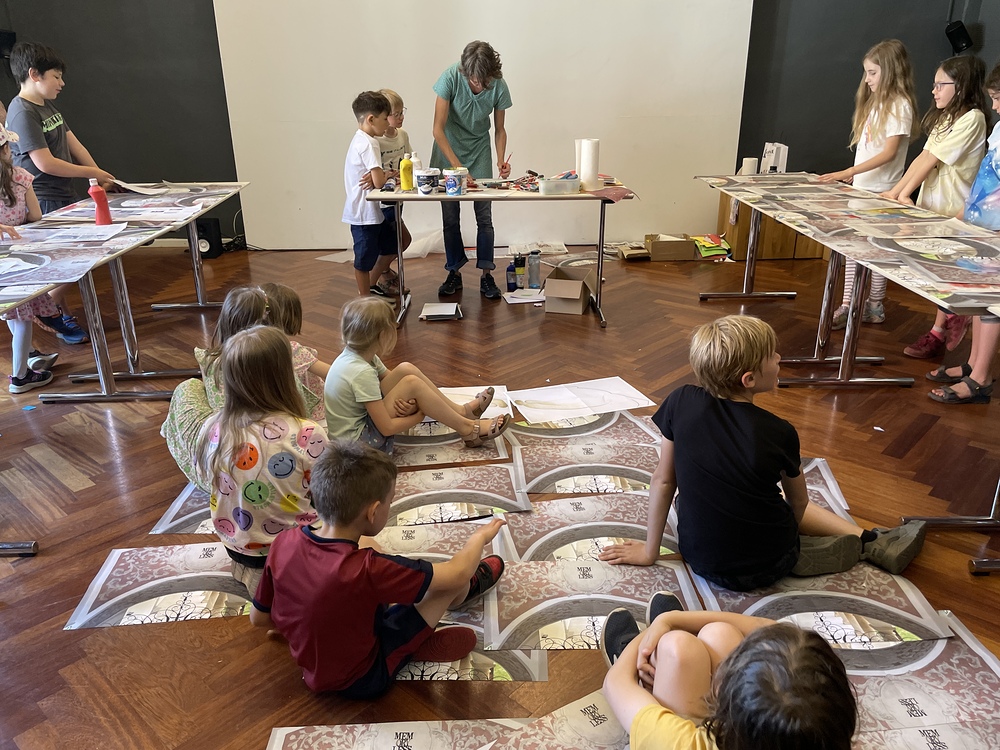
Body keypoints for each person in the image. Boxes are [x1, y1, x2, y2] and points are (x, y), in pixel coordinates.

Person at [598, 315, 927, 590]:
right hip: (769, 564)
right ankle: (837, 547)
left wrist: (650, 551)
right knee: (775, 502)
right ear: (749, 379)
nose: (779, 358)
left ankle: (862, 541)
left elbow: (663, 480)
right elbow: (799, 503)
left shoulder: (679, 400)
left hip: (699, 559)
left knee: (692, 498)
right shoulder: (779, 431)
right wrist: (786, 540)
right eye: (772, 355)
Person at [249, 440, 506, 697]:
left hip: (314, 669)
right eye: (390, 501)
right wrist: (479, 537)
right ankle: (442, 614)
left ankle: (419, 628)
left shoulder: (284, 542)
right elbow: (457, 571)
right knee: (451, 583)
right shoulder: (368, 569)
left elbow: (258, 618)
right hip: (364, 677)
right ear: (373, 512)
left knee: (366, 547)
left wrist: (299, 626)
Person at [602, 592, 856, 750]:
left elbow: (615, 683)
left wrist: (654, 633)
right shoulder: (819, 732)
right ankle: (670, 648)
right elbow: (764, 626)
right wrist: (672, 619)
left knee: (677, 647)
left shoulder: (681, 744)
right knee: (719, 634)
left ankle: (651, 676)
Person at [193, 325, 327, 596]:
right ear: (285, 376)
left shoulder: (211, 428)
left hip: (237, 548)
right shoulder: (306, 432)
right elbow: (327, 492)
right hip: (296, 549)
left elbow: (207, 479)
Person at [881, 55, 989, 359]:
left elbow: (932, 160)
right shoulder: (946, 118)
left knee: (948, 273)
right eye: (934, 84)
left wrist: (901, 193)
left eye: (941, 84)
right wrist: (895, 192)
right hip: (933, 209)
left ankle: (943, 327)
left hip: (954, 210)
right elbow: (922, 156)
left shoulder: (973, 119)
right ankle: (945, 323)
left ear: (961, 86)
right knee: (937, 272)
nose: (934, 90)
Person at [6, 41, 113, 343]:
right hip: (43, 197)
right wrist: (92, 174)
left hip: (62, 194)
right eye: (56, 76)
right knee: (75, 259)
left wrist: (99, 175)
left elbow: (73, 143)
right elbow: (45, 163)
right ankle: (48, 310)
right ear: (34, 74)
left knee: (69, 260)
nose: (61, 83)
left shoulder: (45, 105)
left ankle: (57, 314)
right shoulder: (22, 111)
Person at [324, 296, 510, 452]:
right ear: (383, 335)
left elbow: (395, 383)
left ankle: (462, 412)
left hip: (356, 430)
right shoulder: (361, 372)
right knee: (413, 384)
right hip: (356, 447)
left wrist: (411, 401)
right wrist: (419, 413)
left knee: (407, 369)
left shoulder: (359, 355)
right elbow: (386, 427)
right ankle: (468, 429)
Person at [818, 39, 918, 330]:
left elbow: (889, 153)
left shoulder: (900, 105)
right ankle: (849, 304)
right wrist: (856, 175)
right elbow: (871, 149)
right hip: (863, 189)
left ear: (890, 71)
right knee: (853, 248)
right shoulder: (878, 104)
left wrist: (848, 170)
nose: (867, 79)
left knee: (878, 251)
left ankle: (874, 305)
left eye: (873, 73)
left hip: (881, 192)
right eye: (867, 73)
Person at [928, 61, 1000, 404]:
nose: (994, 106)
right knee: (982, 300)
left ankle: (981, 378)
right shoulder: (998, 129)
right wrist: (962, 215)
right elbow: (986, 182)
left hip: (995, 228)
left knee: (993, 303)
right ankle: (974, 364)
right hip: (981, 224)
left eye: (998, 98)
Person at [430, 41, 512, 301]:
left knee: (484, 216)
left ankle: (487, 275)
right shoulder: (450, 78)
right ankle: (454, 272)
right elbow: (437, 129)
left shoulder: (498, 84)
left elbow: (499, 129)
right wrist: (458, 168)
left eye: (483, 80)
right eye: (474, 79)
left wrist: (501, 160)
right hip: (448, 149)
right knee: (450, 217)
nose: (478, 84)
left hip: (479, 150)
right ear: (465, 72)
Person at [0, 124, 60, 393]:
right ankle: (20, 376)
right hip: (20, 259)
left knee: (13, 313)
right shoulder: (22, 177)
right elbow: (36, 216)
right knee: (22, 317)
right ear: (6, 149)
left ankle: (28, 357)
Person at [342, 91, 398, 298]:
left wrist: (382, 175)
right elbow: (379, 182)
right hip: (363, 214)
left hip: (370, 212)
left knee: (392, 244)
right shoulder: (369, 143)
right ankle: (364, 301)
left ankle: (372, 289)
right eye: (385, 118)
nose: (388, 123)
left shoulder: (360, 139)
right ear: (371, 119)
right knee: (363, 260)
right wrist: (387, 174)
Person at [259, 282, 330, 421]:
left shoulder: (248, 348)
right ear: (292, 316)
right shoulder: (291, 350)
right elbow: (334, 373)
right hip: (313, 414)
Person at [370, 88, 411, 298]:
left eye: (402, 112)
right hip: (383, 201)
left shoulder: (402, 135)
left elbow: (409, 159)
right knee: (398, 242)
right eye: (396, 114)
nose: (401, 117)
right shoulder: (375, 141)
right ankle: (373, 281)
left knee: (397, 241)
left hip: (399, 197)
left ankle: (384, 275)